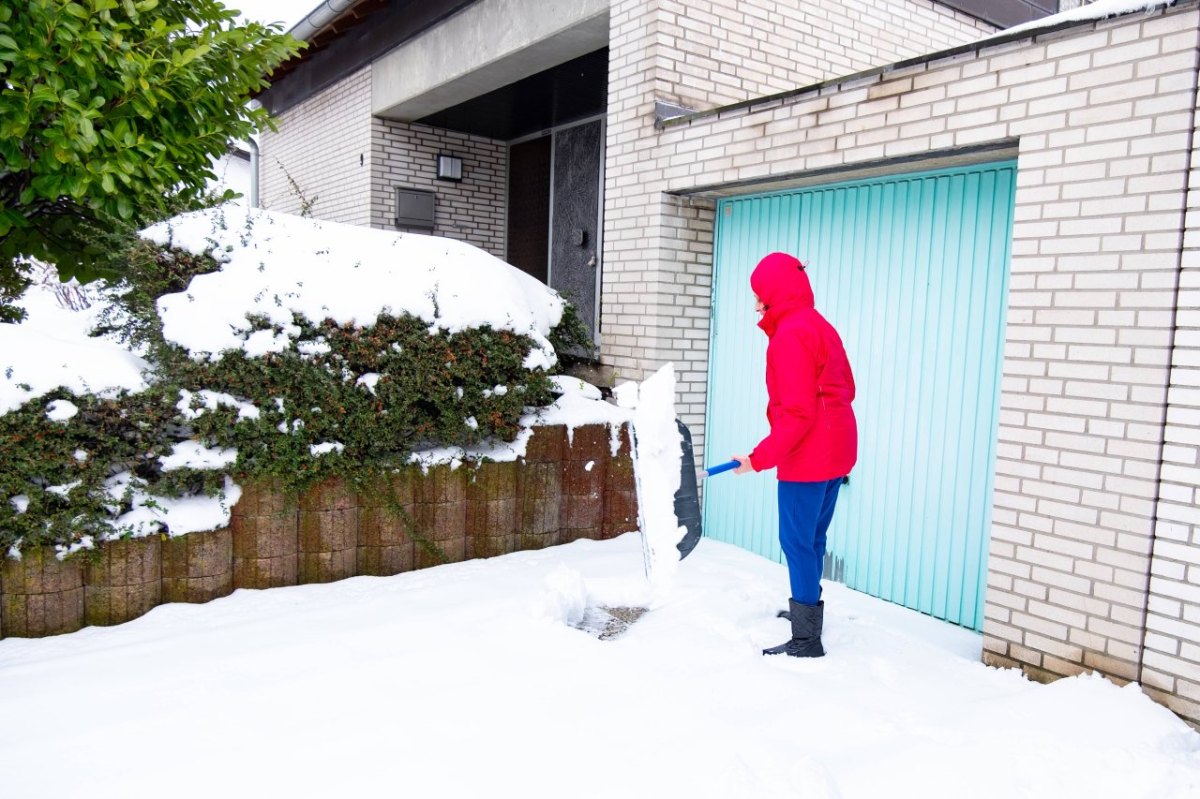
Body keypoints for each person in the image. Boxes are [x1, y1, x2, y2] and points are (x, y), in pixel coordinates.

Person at [731, 252, 858, 658]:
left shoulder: (789, 335)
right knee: (813, 538)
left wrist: (758, 458)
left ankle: (806, 638)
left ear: (775, 295)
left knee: (796, 541)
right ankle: (807, 611)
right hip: (837, 449)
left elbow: (798, 412)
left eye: (759, 296)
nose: (755, 305)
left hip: (809, 455)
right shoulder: (821, 326)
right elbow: (844, 389)